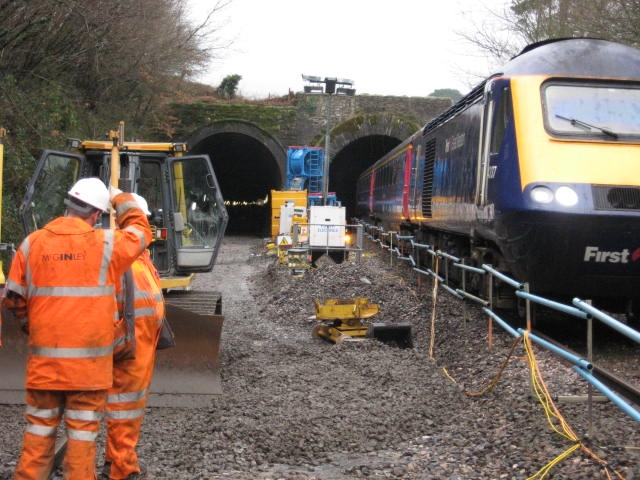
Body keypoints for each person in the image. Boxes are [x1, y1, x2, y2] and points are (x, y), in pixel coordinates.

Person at [1, 178, 151, 480]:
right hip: (89, 372)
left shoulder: (32, 243)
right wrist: (120, 197)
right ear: (96, 215)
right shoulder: (107, 244)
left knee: (38, 434)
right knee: (82, 438)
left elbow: (14, 299)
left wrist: (36, 327)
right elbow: (141, 232)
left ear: (68, 205)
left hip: (45, 366)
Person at [102, 194, 165, 480]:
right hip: (130, 345)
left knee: (126, 408)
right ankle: (122, 468)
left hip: (140, 344)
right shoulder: (122, 258)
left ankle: (113, 458)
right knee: (125, 407)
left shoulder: (140, 258)